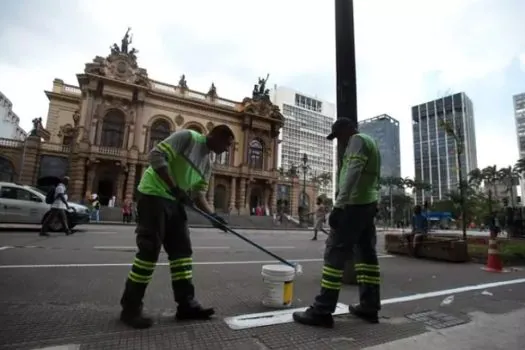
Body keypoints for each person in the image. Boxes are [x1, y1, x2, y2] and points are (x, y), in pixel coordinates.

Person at [119, 125, 234, 329]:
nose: (227, 150)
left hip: (175, 202)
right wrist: (174, 188)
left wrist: (213, 216)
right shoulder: (188, 138)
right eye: (226, 144)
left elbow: (199, 195)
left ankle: (186, 305)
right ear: (214, 136)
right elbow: (155, 156)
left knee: (182, 255)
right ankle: (130, 308)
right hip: (153, 195)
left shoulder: (207, 164)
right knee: (149, 252)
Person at [293, 118, 381, 328]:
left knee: (335, 253)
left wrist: (339, 206)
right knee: (366, 256)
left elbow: (352, 173)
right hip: (367, 204)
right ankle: (370, 307)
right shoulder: (371, 143)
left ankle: (322, 310)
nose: (339, 142)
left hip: (353, 205)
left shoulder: (357, 141)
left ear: (347, 129)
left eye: (338, 136)